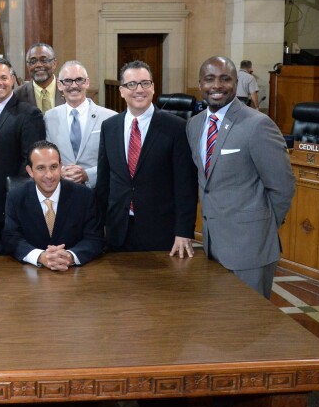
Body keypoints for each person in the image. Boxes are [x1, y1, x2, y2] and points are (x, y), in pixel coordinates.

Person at [187, 56, 295, 299]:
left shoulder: (258, 124)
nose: (217, 86)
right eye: (210, 79)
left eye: (225, 79)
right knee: (223, 326)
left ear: (236, 83)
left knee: (250, 326)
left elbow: (282, 187)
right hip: (212, 245)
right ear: (200, 83)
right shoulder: (194, 125)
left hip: (251, 248)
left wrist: (261, 228)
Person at [96, 60, 197, 256]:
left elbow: (186, 186)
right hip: (118, 230)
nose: (139, 90)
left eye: (145, 83)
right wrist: (98, 227)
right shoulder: (109, 127)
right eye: (131, 84)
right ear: (122, 91)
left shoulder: (176, 128)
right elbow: (103, 183)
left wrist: (183, 231)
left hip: (161, 232)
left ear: (153, 87)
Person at [0, 57, 45, 247]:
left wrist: (14, 191)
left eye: (4, 78)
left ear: (13, 79)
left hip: (11, 197)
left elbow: (30, 160)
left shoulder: (29, 114)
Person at [3, 141, 103, 270]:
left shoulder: (84, 196)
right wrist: (40, 256)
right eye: (41, 168)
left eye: (53, 167)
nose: (49, 175)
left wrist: (70, 256)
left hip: (75, 274)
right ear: (30, 171)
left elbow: (95, 239)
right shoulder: (16, 197)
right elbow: (11, 239)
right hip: (30, 275)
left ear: (61, 166)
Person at [44, 61, 116, 188]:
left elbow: (116, 160)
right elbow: (46, 156)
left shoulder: (110, 117)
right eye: (67, 81)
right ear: (59, 85)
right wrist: (59, 172)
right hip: (61, 191)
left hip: (97, 193)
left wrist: (87, 175)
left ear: (87, 82)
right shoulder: (49, 117)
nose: (74, 85)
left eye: (79, 80)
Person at [14, 43, 65, 113]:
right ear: (27, 66)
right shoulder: (17, 96)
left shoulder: (67, 89)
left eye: (44, 60)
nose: (38, 65)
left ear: (54, 64)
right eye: (33, 61)